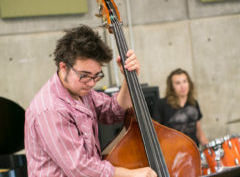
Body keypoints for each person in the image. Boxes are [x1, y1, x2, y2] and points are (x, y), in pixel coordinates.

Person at [24, 25, 157, 177]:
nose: (91, 83)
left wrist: (129, 78)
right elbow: (79, 168)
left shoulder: (82, 90)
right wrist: (132, 174)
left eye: (96, 75)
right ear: (63, 67)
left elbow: (114, 110)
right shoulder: (51, 109)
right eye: (85, 75)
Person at [152, 68, 208, 147]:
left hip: (193, 153)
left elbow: (199, 132)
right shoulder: (161, 104)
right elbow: (155, 133)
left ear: (189, 83)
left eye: (184, 81)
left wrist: (209, 148)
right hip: (172, 154)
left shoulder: (194, 103)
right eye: (178, 83)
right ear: (172, 87)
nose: (182, 86)